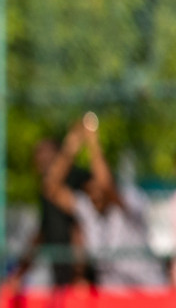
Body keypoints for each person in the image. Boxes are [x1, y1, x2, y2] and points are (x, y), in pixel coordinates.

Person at [44, 115, 164, 292]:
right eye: (91, 191)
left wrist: (93, 143)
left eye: (99, 191)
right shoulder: (87, 208)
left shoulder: (129, 199)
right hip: (112, 296)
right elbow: (51, 188)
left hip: (146, 291)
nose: (95, 195)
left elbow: (106, 184)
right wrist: (70, 147)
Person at [9, 134, 90, 289]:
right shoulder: (46, 195)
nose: (40, 160)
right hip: (63, 277)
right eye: (37, 156)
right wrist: (19, 273)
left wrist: (79, 274)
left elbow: (80, 230)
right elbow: (42, 234)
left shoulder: (79, 181)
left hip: (84, 280)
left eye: (46, 155)